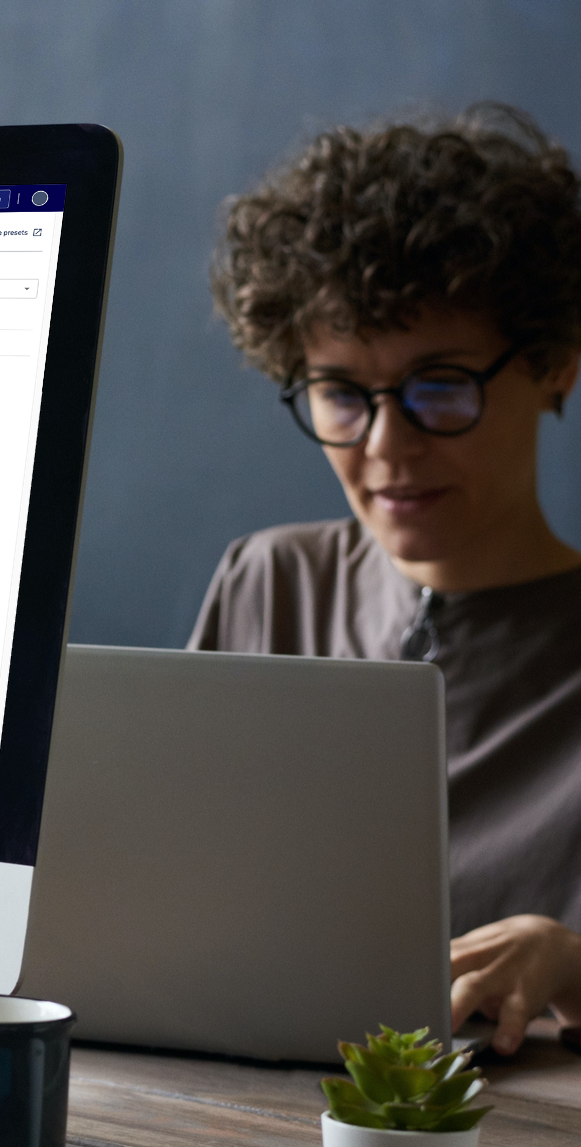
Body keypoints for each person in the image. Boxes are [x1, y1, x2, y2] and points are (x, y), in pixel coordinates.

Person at [195, 103, 581, 1057]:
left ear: (555, 363)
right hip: (239, 1129)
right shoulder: (268, 581)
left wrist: (573, 961)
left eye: (441, 385)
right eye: (340, 394)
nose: (386, 447)